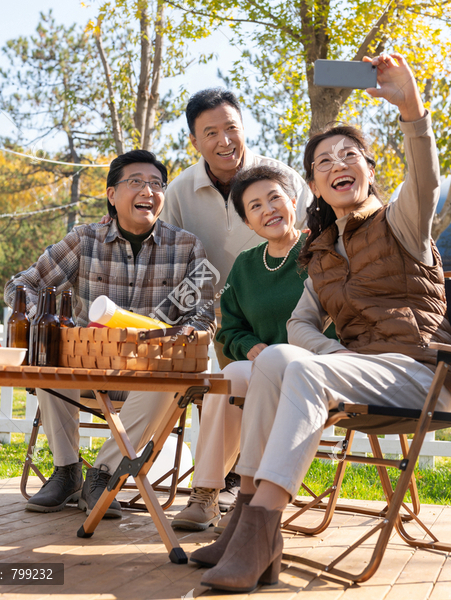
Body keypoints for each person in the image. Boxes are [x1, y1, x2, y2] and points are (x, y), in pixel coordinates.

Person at [191, 54, 451, 593]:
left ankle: (262, 528)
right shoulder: (324, 251)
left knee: (305, 372)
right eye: (324, 161)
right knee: (274, 359)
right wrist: (336, 356)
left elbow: (426, 180)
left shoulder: (401, 222)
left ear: (368, 169)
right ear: (314, 184)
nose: (338, 164)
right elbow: (299, 326)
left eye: (350, 155)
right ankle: (244, 518)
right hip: (360, 371)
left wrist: (410, 107)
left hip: (420, 372)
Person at [4, 150, 216, 519]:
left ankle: (101, 475)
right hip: (86, 366)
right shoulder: (85, 240)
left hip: (146, 378)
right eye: (135, 182)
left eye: (155, 184)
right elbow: (20, 286)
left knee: (170, 379)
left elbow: (205, 316)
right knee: (51, 352)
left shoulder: (185, 248)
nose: (147, 191)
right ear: (112, 194)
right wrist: (51, 321)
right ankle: (67, 471)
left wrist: (177, 337)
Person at [161, 88, 312, 513]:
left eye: (232, 128)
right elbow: (164, 246)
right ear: (195, 141)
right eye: (211, 133)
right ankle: (206, 492)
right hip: (222, 310)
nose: (224, 140)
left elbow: (319, 240)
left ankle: (245, 491)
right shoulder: (181, 191)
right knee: (225, 387)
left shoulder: (282, 180)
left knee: (252, 386)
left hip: (297, 334)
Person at [170, 164, 337, 531]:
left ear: (293, 200)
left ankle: (255, 502)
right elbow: (230, 328)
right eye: (256, 206)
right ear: (248, 223)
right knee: (229, 376)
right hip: (263, 365)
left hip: (315, 367)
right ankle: (206, 493)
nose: (269, 210)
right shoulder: (246, 265)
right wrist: (249, 347)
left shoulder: (323, 250)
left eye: (275, 197)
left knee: (261, 368)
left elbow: (343, 314)